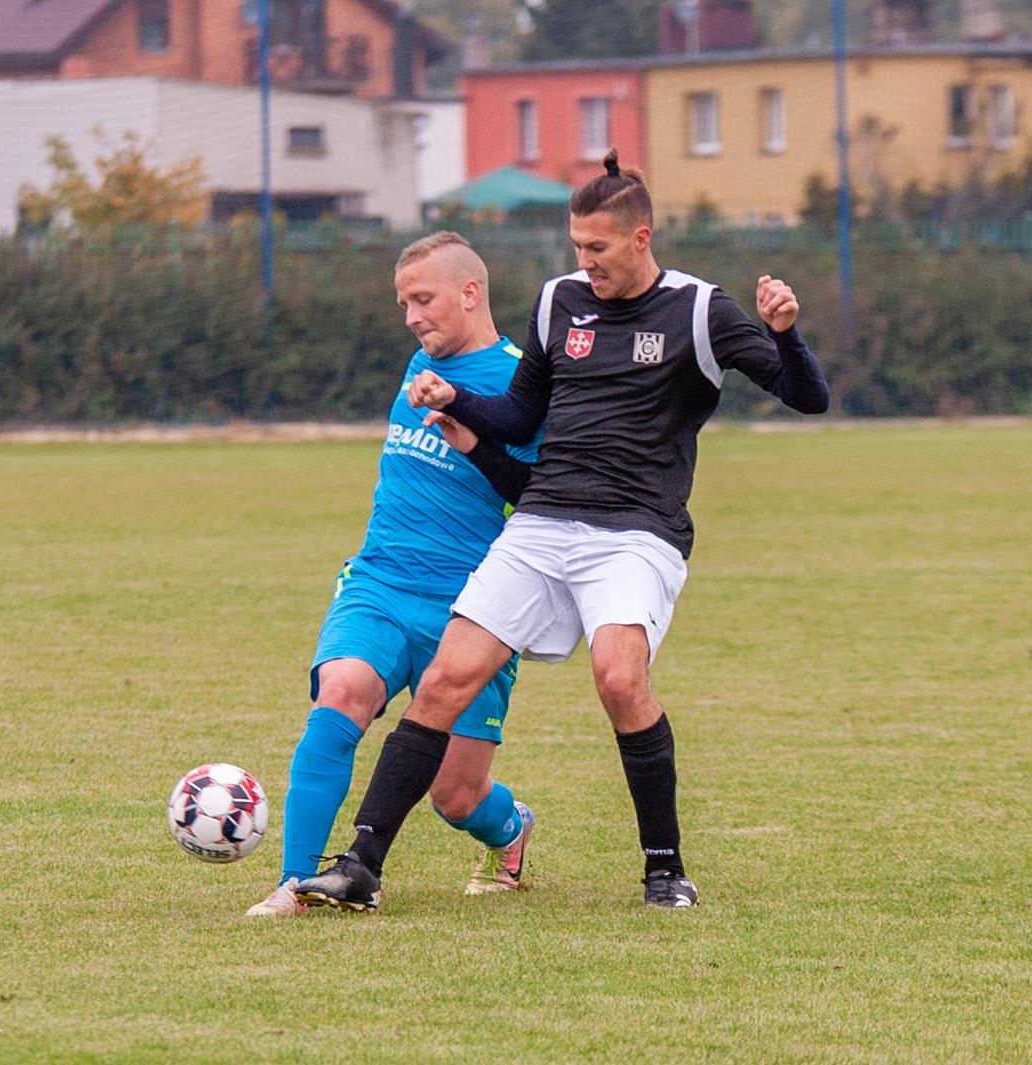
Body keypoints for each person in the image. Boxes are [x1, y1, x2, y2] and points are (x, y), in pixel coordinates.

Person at [295, 149, 830, 912]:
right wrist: (459, 403)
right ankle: (362, 863)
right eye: (577, 247)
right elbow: (520, 415)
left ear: (641, 238)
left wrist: (785, 334)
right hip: (542, 522)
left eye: (599, 249)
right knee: (447, 677)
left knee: (619, 676)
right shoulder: (559, 303)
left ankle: (665, 867)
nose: (585, 263)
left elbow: (807, 397)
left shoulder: (700, 310)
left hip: (636, 533)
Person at [247, 232, 542, 916]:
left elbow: (540, 491)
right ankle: (296, 885)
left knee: (455, 795)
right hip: (380, 582)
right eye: (403, 302)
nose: (410, 315)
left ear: (471, 293)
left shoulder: (525, 386)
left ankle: (512, 829)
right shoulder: (420, 362)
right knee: (341, 695)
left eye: (423, 298)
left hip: (474, 609)